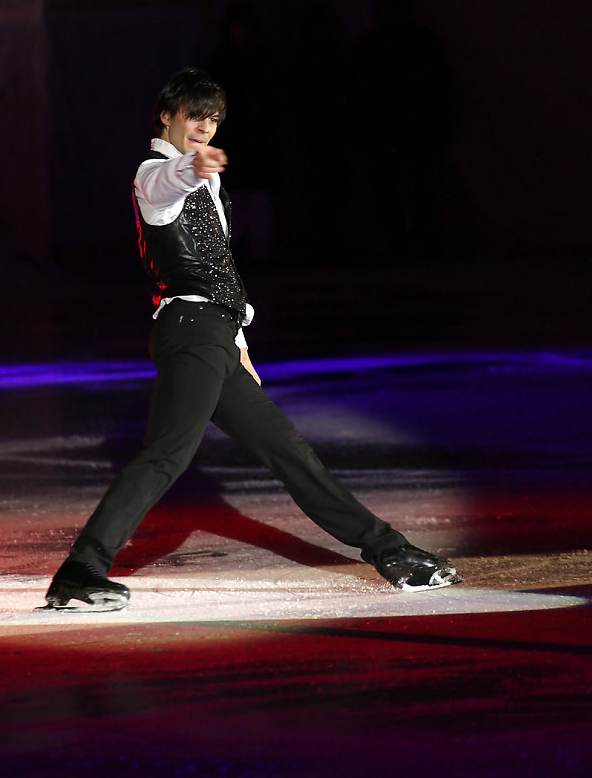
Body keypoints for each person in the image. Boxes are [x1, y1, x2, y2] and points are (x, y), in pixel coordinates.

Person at [43, 68, 462, 612]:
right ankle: (82, 569)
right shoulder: (155, 174)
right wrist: (193, 167)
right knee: (168, 454)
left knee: (289, 451)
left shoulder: (208, 182)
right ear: (166, 116)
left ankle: (392, 552)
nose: (205, 125)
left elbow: (219, 267)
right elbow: (164, 186)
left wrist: (239, 337)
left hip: (217, 335)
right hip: (191, 331)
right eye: (194, 114)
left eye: (213, 117)